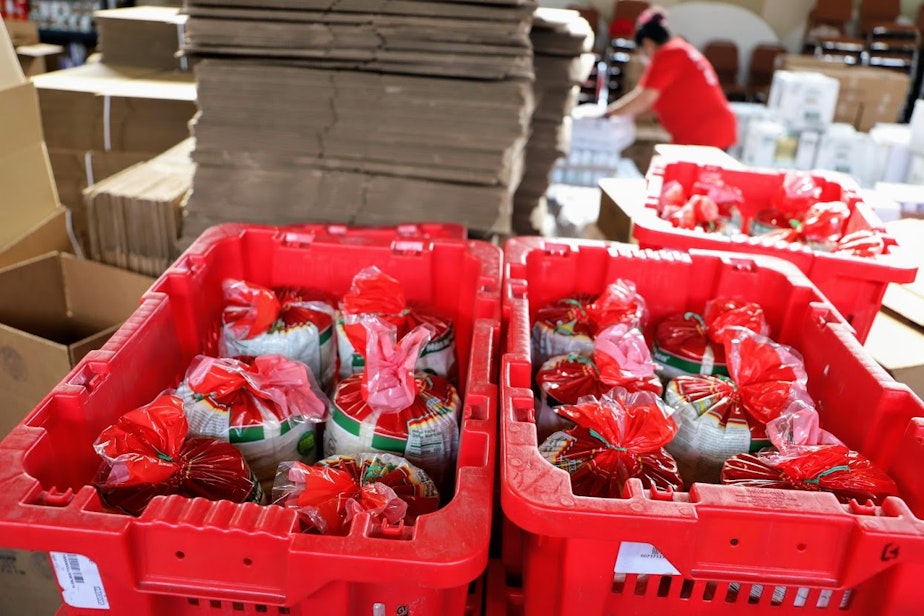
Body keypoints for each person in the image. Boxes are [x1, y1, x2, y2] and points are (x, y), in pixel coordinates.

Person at [603, 7, 737, 150]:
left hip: (707, 135)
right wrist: (624, 114)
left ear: (648, 44)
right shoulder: (679, 50)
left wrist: (607, 114)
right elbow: (651, 104)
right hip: (707, 131)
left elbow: (644, 98)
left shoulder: (669, 55)